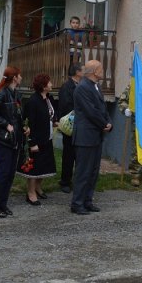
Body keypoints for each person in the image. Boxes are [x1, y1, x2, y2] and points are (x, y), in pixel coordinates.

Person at [0, 66, 28, 218]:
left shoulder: (16, 94)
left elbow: (16, 116)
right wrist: (5, 124)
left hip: (14, 139)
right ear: (14, 77)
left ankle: (2, 204)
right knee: (3, 173)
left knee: (10, 173)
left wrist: (23, 128)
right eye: (20, 75)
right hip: (3, 140)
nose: (21, 77)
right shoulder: (2, 94)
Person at [70, 60, 112, 215]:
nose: (103, 70)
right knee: (83, 171)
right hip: (85, 137)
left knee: (93, 171)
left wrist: (109, 122)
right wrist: (103, 124)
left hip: (95, 135)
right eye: (101, 68)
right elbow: (90, 111)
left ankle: (87, 201)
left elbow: (102, 108)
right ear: (95, 71)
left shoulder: (96, 86)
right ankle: (77, 203)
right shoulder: (82, 88)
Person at [18, 73, 57, 205]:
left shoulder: (48, 98)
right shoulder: (33, 101)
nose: (51, 84)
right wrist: (32, 143)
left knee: (45, 166)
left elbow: (50, 115)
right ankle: (30, 193)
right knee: (34, 168)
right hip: (37, 140)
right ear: (43, 86)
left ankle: (38, 188)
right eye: (49, 82)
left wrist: (55, 121)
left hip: (48, 138)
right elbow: (30, 123)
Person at [57, 63, 82, 193]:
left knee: (79, 156)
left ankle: (77, 181)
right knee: (68, 155)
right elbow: (65, 106)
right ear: (77, 72)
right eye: (82, 69)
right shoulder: (67, 86)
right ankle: (65, 181)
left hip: (80, 126)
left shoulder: (80, 85)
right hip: (70, 125)